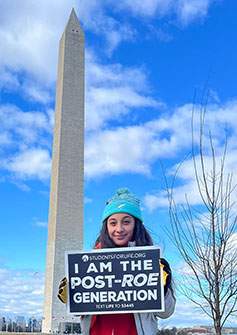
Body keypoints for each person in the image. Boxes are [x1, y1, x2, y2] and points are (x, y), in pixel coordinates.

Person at [58, 188, 176, 335]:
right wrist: (70, 296)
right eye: (113, 223)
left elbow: (166, 312)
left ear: (136, 224)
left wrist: (162, 289)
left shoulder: (153, 263)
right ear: (106, 227)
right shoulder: (87, 265)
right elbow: (79, 312)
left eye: (126, 222)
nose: (119, 229)